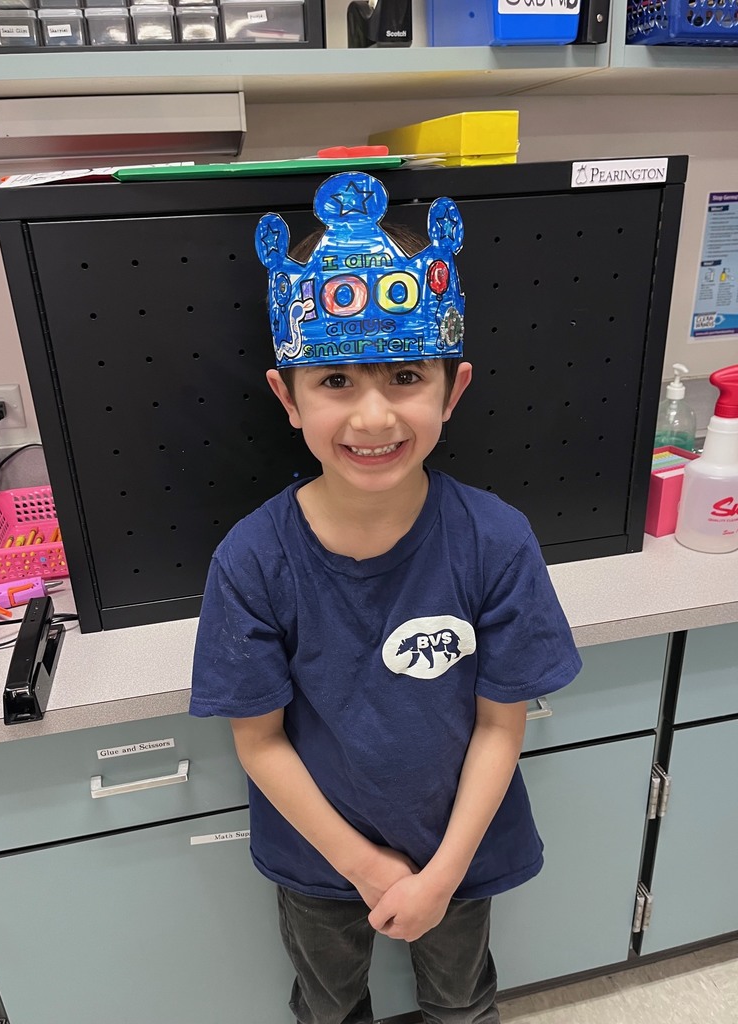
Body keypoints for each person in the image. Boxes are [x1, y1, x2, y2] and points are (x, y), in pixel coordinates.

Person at [190, 171, 582, 1024]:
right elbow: (258, 744)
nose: (373, 417)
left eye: (405, 375)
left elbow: (499, 722)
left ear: (455, 388)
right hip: (318, 859)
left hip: (461, 851)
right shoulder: (252, 559)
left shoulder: (496, 540)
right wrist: (367, 868)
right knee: (328, 1004)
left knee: (461, 999)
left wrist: (439, 875)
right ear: (286, 398)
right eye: (335, 381)